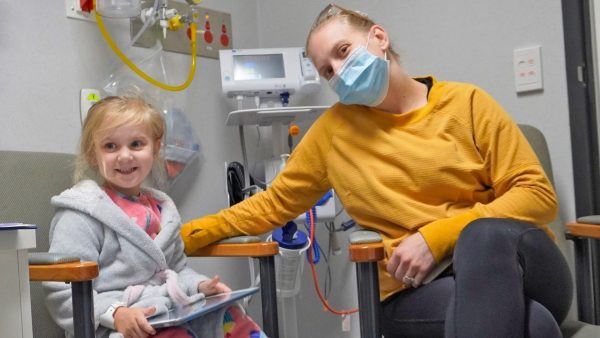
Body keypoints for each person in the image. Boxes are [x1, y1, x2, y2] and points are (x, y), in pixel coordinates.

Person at [181, 4, 573, 338]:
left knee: (482, 236)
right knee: (533, 325)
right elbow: (272, 205)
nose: (338, 71)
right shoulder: (333, 133)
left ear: (379, 38)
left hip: (521, 265)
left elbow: (537, 195)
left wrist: (436, 237)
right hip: (413, 289)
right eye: (328, 71)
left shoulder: (467, 103)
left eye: (343, 50)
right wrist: (177, 237)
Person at [43, 95, 265, 338]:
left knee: (228, 315)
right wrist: (116, 314)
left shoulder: (162, 211)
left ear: (156, 148)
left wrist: (200, 286)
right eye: (110, 146)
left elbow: (178, 270)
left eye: (136, 144)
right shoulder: (82, 215)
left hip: (167, 312)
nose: (125, 156)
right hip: (114, 324)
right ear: (93, 154)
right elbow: (62, 292)